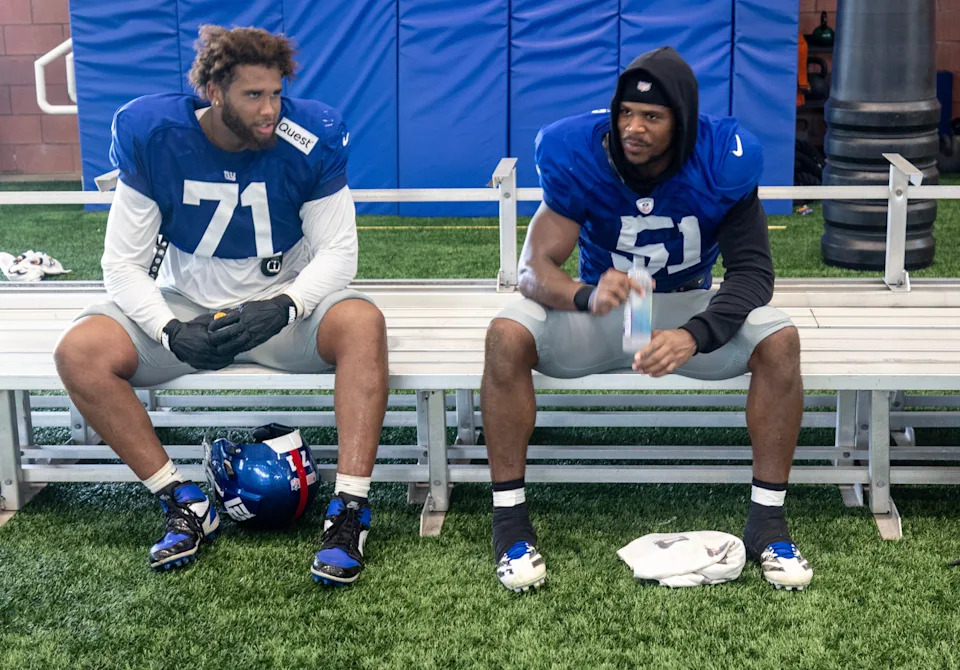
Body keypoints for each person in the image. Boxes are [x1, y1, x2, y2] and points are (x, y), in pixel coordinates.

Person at [53, 25, 387, 587]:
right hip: (188, 305)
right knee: (79, 351)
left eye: (277, 93)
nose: (271, 110)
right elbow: (122, 265)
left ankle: (350, 511)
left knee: (362, 323)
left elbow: (339, 253)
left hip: (282, 309)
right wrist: (168, 328)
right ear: (213, 91)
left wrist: (285, 304)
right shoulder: (155, 133)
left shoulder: (311, 135)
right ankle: (182, 500)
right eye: (253, 95)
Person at [481, 46, 812, 592]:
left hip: (684, 304)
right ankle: (510, 523)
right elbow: (533, 270)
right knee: (506, 334)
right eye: (625, 114)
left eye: (652, 117)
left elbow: (753, 275)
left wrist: (694, 333)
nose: (633, 128)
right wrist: (584, 294)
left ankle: (767, 521)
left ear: (681, 123)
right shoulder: (578, 151)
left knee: (779, 340)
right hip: (605, 306)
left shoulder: (721, 158)